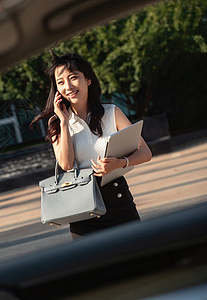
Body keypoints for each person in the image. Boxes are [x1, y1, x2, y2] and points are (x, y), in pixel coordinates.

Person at [31, 52, 152, 240]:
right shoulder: (57, 123)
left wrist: (120, 163)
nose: (68, 86)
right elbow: (66, 165)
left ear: (87, 79)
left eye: (73, 78)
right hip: (83, 210)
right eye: (61, 82)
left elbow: (145, 152)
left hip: (119, 202)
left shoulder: (112, 112)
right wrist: (63, 122)